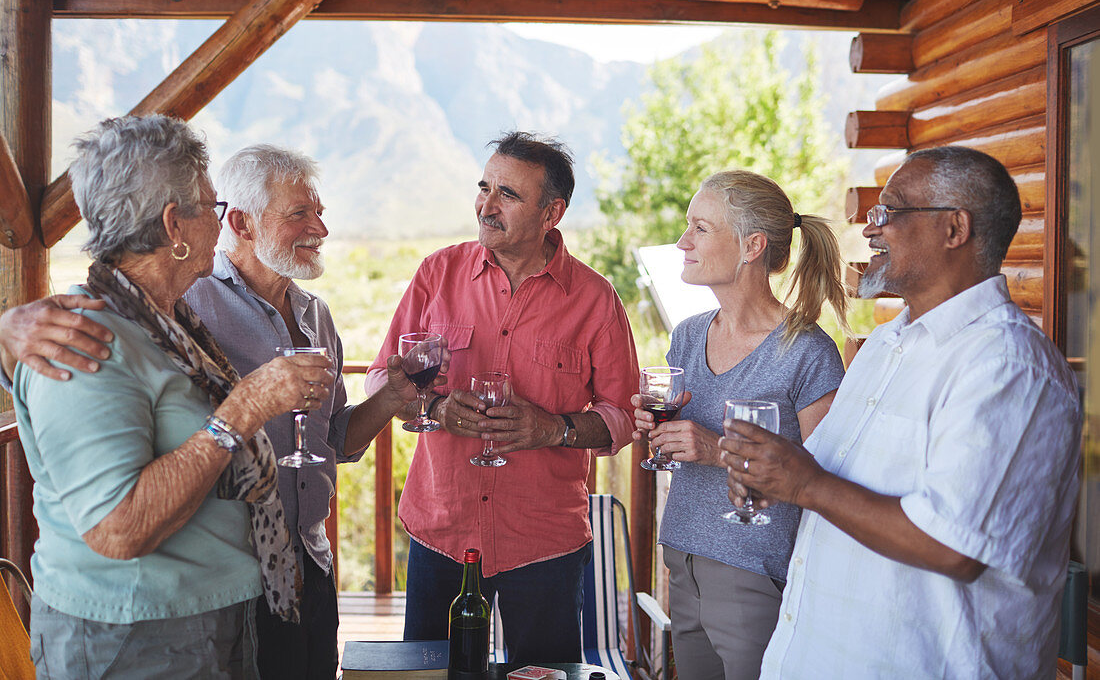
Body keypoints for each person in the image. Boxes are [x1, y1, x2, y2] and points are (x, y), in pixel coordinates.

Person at [1, 143, 436, 680]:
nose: (321, 229)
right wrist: (8, 331)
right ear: (208, 223)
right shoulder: (149, 314)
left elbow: (331, 440)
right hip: (152, 620)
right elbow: (118, 526)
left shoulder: (256, 317)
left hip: (286, 570)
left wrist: (392, 397)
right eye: (301, 213)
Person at [719, 146, 1081, 678]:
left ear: (954, 228)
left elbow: (955, 546)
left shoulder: (1009, 368)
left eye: (890, 212)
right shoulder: (887, 344)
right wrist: (772, 476)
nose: (871, 230)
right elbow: (829, 476)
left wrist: (804, 484)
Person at [364, 131, 638, 663]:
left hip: (544, 542)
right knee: (430, 677)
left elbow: (623, 417)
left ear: (551, 212)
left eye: (507, 195)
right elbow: (380, 380)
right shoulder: (436, 274)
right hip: (441, 529)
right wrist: (438, 410)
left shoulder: (595, 299)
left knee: (543, 676)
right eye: (484, 187)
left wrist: (553, 429)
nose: (486, 206)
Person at [632, 170, 846, 679]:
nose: (683, 242)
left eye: (700, 229)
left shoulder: (808, 352)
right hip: (681, 557)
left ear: (752, 245)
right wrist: (654, 426)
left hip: (754, 572)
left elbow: (827, 483)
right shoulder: (687, 336)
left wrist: (713, 448)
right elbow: (679, 437)